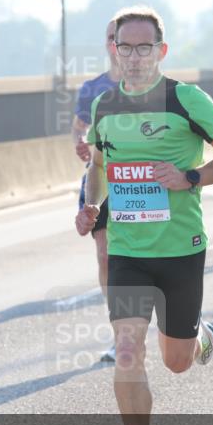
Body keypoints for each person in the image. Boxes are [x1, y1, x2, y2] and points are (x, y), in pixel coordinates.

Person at [75, 6, 213, 425]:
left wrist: (191, 176)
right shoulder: (103, 106)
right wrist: (90, 207)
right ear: (114, 49)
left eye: (144, 47)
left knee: (176, 360)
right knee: (128, 350)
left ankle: (199, 335)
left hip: (180, 250)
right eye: (124, 47)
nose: (134, 57)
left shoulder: (186, 99)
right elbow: (100, 169)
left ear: (161, 51)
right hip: (128, 252)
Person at [72, 20, 121, 362]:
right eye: (110, 37)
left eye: (123, 38)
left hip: (144, 182)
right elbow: (79, 128)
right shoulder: (92, 89)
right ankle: (121, 334)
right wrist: (80, 144)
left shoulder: (157, 90)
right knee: (105, 256)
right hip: (103, 177)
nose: (116, 44)